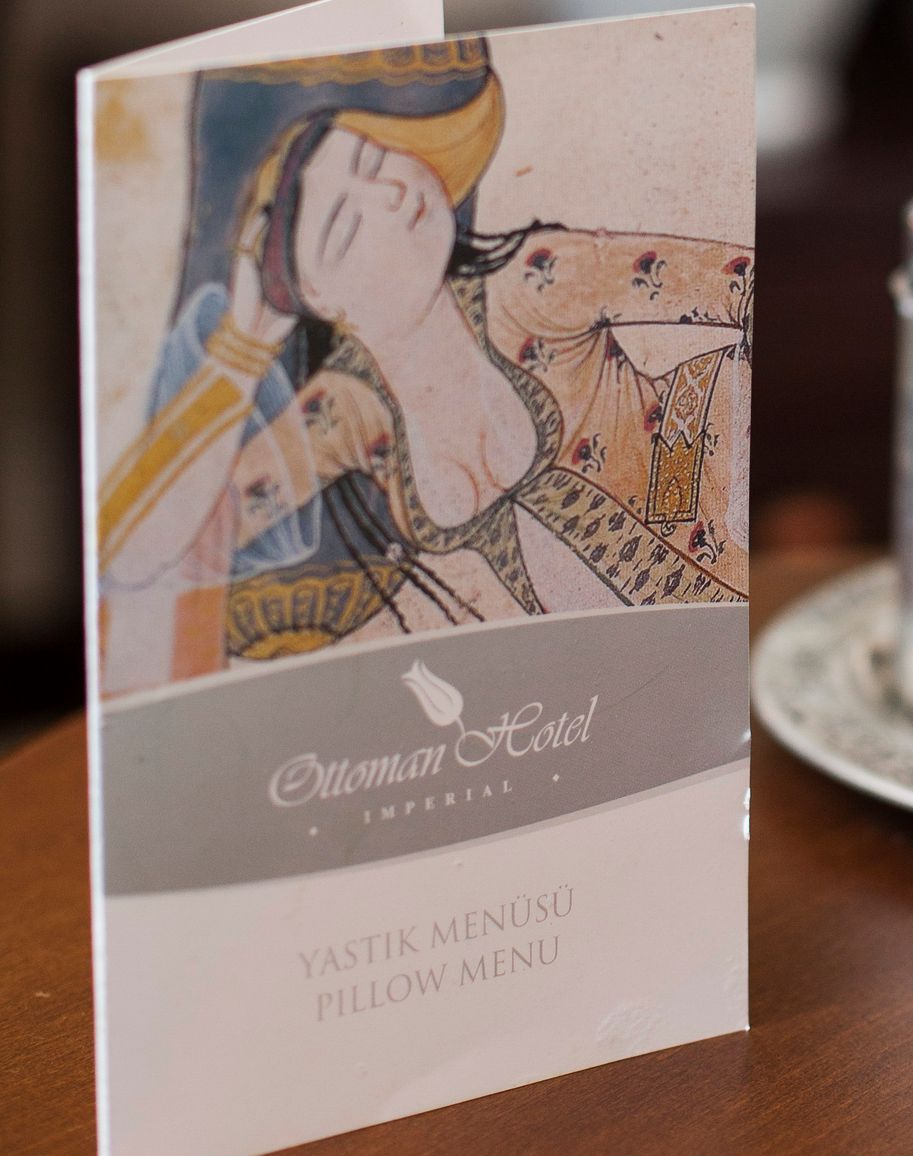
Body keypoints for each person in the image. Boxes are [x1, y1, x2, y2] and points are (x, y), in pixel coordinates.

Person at [97, 41, 750, 696]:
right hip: (601, 703)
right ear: (320, 299)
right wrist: (243, 350)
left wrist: (704, 457)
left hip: (726, 651)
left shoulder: (535, 279)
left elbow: (743, 284)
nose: (394, 196)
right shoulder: (353, 412)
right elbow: (140, 554)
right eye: (344, 222)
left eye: (382, 158)